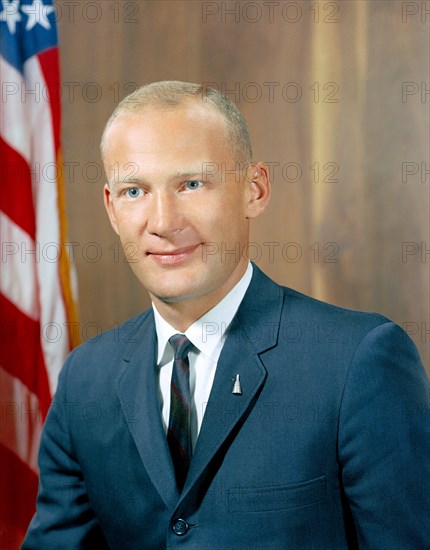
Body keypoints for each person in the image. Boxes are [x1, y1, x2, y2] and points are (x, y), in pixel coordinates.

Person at [23, 81, 429, 549]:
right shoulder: (84, 379)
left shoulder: (358, 363)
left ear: (254, 190)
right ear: (112, 209)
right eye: (135, 191)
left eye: (191, 184)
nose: (163, 221)